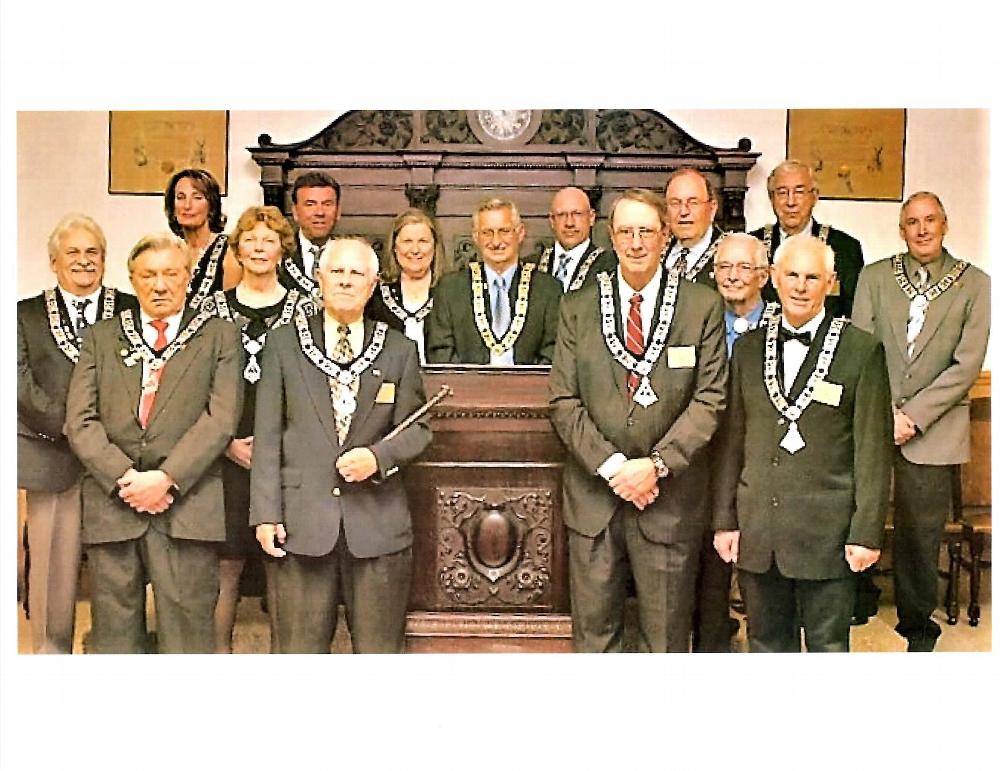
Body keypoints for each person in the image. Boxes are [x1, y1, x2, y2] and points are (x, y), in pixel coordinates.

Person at [548, 188, 728, 652]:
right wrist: (614, 468)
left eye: (646, 231)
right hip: (594, 501)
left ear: (665, 237)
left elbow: (709, 399)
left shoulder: (701, 306)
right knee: (594, 639)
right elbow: (564, 402)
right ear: (611, 237)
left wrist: (655, 465)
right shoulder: (578, 306)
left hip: (669, 500)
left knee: (666, 640)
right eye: (625, 231)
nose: (635, 242)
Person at [250, 238, 431, 653]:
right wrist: (265, 514)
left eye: (357, 274)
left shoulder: (400, 349)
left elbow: (418, 429)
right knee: (299, 656)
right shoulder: (284, 344)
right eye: (338, 272)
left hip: (378, 526)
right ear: (320, 279)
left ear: (373, 287)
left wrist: (378, 458)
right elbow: (267, 435)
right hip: (300, 525)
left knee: (379, 655)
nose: (346, 281)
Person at [713, 234, 892, 652]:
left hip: (827, 535)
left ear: (831, 283)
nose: (799, 286)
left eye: (812, 277)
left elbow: (872, 453)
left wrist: (866, 533)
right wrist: (725, 520)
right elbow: (731, 442)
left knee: (828, 648)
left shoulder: (861, 351)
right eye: (791, 274)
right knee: (766, 645)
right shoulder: (748, 349)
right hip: (759, 530)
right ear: (773, 277)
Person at [65, 233, 243, 653]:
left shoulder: (219, 335)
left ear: (188, 278)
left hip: (187, 504)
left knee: (188, 636)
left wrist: (166, 478)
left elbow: (221, 419)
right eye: (148, 275)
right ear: (132, 279)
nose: (159, 285)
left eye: (170, 274)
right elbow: (80, 420)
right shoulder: (101, 338)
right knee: (114, 638)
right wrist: (126, 478)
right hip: (114, 504)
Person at [852, 192, 990, 652]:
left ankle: (917, 627)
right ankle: (855, 600)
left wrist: (912, 416)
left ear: (945, 225)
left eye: (931, 220)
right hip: (874, 420)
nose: (923, 229)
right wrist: (882, 411)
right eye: (913, 221)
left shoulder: (975, 284)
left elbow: (965, 366)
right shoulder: (874, 278)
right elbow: (861, 349)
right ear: (902, 229)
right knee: (855, 514)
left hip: (935, 432)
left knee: (919, 533)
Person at [17, 214, 138, 652]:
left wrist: (106, 437)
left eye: (93, 252)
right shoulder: (22, 314)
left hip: (121, 457)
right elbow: (17, 381)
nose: (84, 261)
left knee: (122, 566)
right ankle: (51, 656)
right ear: (54, 262)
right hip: (52, 454)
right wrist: (75, 429)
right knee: (52, 570)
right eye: (73, 252)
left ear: (105, 260)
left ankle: (116, 651)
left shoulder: (130, 309)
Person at [205, 205, 315, 653]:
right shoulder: (210, 309)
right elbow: (195, 386)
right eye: (250, 239)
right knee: (225, 566)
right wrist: (224, 442)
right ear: (237, 248)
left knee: (283, 566)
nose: (259, 247)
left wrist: (277, 448)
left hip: (285, 458)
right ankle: (216, 664)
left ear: (283, 249)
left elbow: (312, 388)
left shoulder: (306, 308)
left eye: (269, 240)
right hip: (224, 454)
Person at [691, 232, 777, 653]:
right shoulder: (697, 321)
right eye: (724, 267)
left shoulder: (783, 325)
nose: (733, 276)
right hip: (706, 463)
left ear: (764, 274)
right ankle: (711, 647)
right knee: (711, 568)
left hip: (765, 467)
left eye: (743, 267)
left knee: (763, 575)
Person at [426, 197, 562, 365]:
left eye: (504, 231)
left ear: (520, 233)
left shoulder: (547, 289)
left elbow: (554, 353)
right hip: (465, 390)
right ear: (475, 237)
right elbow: (441, 351)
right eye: (487, 232)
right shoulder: (450, 289)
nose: (496, 241)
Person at [750, 159, 864, 318]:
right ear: (771, 198)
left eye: (799, 192)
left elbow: (853, 313)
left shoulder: (844, 247)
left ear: (814, 197)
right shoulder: (753, 245)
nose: (791, 202)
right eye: (782, 192)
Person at [365, 208, 449, 363]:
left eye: (423, 241)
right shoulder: (374, 294)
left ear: (435, 246)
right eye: (407, 242)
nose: (415, 250)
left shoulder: (452, 291)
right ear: (395, 247)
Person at [164, 168, 241, 309]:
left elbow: (232, 314)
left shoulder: (229, 251)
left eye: (197, 198)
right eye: (180, 197)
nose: (187, 206)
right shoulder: (169, 251)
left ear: (211, 206)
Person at [536, 186, 615, 292]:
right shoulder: (531, 266)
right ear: (552, 220)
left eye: (577, 214)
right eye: (561, 215)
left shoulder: (611, 266)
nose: (569, 223)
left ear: (591, 217)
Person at [280, 171, 342, 303]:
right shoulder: (279, 254)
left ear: (338, 212)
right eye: (310, 204)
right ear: (295, 212)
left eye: (327, 204)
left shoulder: (351, 255)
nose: (319, 212)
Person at [662, 168, 725, 287]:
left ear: (712, 209)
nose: (684, 211)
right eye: (675, 203)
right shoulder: (653, 251)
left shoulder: (731, 253)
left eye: (693, 202)